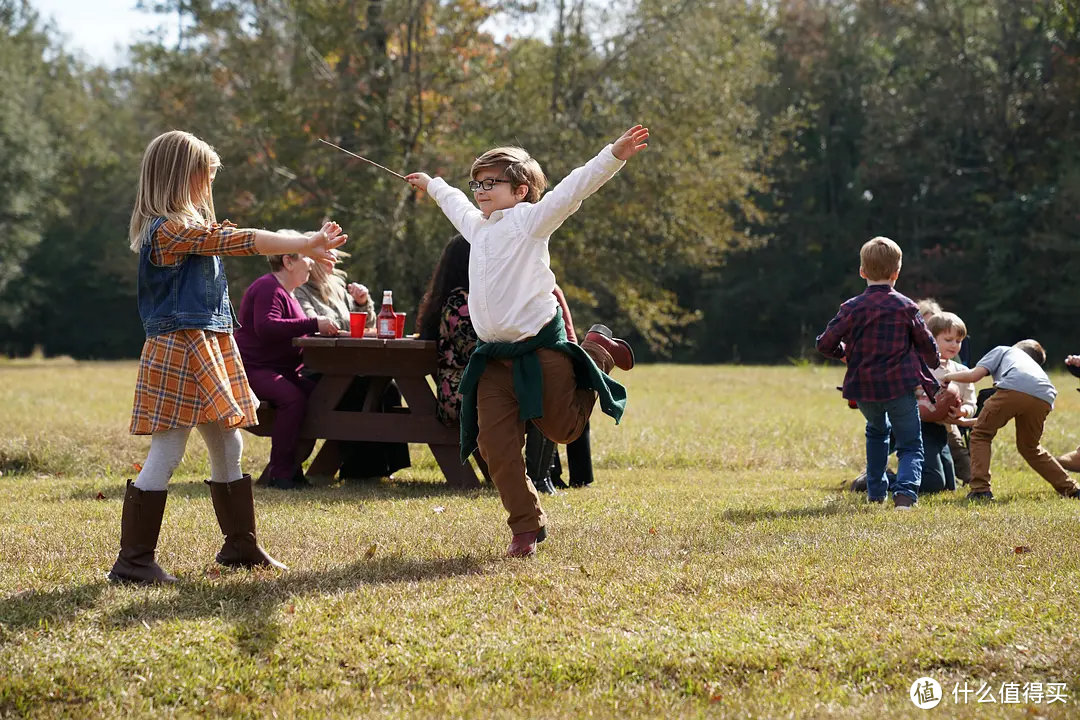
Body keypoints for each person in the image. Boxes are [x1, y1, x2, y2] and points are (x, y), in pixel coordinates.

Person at [111, 130, 346, 584]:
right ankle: (133, 562)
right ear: (182, 178)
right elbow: (240, 241)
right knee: (169, 448)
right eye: (205, 177)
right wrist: (303, 242)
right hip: (181, 347)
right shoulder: (170, 230)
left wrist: (303, 245)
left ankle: (240, 545)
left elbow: (231, 243)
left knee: (229, 441)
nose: (209, 187)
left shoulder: (184, 228)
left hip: (208, 344)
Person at [405, 125, 648, 557]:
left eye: (490, 183)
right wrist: (431, 184)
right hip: (493, 358)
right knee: (493, 444)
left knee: (563, 429)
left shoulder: (532, 221)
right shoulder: (478, 229)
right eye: (477, 182)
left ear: (520, 190)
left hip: (541, 349)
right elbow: (454, 204)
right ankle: (525, 527)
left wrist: (613, 154)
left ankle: (595, 351)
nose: (480, 190)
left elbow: (574, 188)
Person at [816, 236, 940, 509]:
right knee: (910, 444)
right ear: (897, 272)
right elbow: (926, 342)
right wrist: (934, 361)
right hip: (898, 388)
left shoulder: (851, 307)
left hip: (863, 389)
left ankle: (876, 493)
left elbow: (824, 343)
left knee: (876, 432)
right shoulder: (907, 307)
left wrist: (844, 353)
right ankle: (905, 496)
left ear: (862, 271)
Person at [293, 246, 411, 481]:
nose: (335, 259)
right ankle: (361, 470)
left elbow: (362, 323)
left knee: (387, 388)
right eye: (328, 254)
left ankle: (384, 467)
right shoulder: (301, 290)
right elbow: (312, 324)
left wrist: (361, 302)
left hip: (349, 364)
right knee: (359, 391)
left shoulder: (337, 287)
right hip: (320, 369)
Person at [235, 249, 340, 490]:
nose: (311, 263)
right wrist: (315, 323)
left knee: (322, 396)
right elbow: (267, 327)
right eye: (306, 257)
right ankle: (280, 474)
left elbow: (292, 329)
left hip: (283, 370)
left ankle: (293, 468)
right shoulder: (267, 287)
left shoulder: (288, 293)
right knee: (292, 399)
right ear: (288, 262)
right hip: (254, 369)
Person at [943, 340, 1080, 501]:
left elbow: (974, 375)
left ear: (1017, 347)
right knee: (1030, 447)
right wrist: (965, 422)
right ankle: (1072, 489)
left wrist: (946, 377)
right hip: (1045, 395)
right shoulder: (1032, 368)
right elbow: (997, 416)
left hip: (1014, 386)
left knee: (981, 435)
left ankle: (981, 490)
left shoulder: (1003, 350)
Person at [919, 312, 977, 494]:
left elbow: (971, 403)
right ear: (931, 339)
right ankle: (886, 479)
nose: (954, 345)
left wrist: (964, 412)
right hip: (919, 428)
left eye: (958, 341)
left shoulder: (964, 371)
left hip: (945, 429)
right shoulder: (919, 367)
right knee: (933, 482)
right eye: (949, 339)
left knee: (948, 487)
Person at [293, 248, 375, 333]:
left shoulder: (338, 289)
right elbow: (311, 326)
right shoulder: (299, 290)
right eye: (326, 252)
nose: (333, 255)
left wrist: (361, 303)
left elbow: (368, 327)